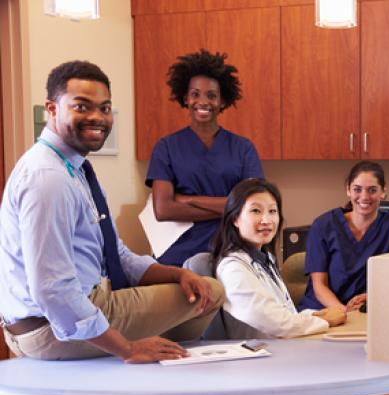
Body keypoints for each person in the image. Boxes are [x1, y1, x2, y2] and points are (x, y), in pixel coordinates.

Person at [0, 61, 223, 363]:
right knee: (212, 292)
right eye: (81, 107)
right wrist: (127, 348)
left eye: (104, 108)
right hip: (51, 330)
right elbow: (53, 290)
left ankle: (156, 357)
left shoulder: (73, 169)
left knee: (196, 288)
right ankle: (144, 358)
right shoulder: (47, 177)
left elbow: (116, 254)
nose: (97, 117)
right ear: (51, 109)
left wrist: (177, 273)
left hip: (62, 317)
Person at [145, 49, 264, 267]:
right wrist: (228, 206)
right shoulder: (166, 147)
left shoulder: (243, 148)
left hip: (230, 249)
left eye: (211, 95)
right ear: (185, 98)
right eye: (195, 94)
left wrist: (188, 200)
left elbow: (252, 206)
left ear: (222, 101)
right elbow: (163, 210)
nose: (203, 101)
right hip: (178, 253)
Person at [212, 178, 347, 338]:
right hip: (266, 356)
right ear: (235, 218)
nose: (266, 220)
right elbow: (276, 323)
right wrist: (327, 321)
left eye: (272, 211)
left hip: (283, 347)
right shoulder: (233, 268)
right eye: (256, 211)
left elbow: (283, 312)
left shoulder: (263, 259)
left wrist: (316, 316)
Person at [299, 161, 389, 312]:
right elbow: (319, 285)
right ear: (348, 190)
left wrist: (371, 297)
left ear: (383, 191)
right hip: (324, 312)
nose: (364, 197)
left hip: (367, 312)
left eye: (372, 190)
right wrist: (343, 311)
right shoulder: (323, 226)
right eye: (357, 189)